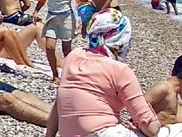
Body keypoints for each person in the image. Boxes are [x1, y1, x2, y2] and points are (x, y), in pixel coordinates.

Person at [47, 9, 162, 137]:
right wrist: (152, 122)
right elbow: (151, 129)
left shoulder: (74, 56)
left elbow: (59, 103)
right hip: (102, 132)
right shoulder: (119, 70)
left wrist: (49, 135)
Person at [33, 0, 77, 85]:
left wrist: (84, 20)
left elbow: (80, 1)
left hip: (66, 18)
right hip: (51, 16)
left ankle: (69, 74)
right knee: (50, 47)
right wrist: (36, 11)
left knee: (66, 50)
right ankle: (55, 75)